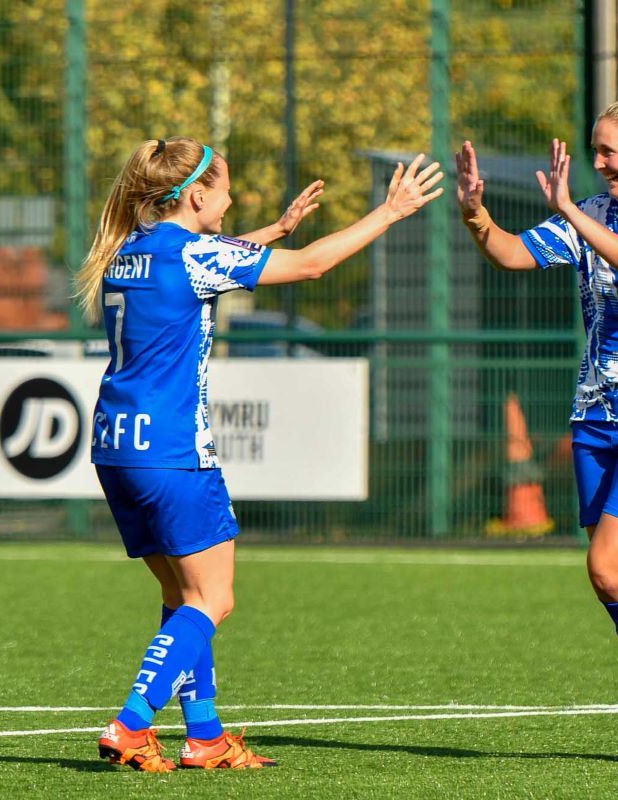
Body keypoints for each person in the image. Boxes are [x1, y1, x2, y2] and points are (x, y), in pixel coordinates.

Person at [76, 136, 443, 772]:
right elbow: (309, 268)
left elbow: (196, 261)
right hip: (172, 453)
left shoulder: (127, 252)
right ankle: (132, 723)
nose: (230, 196)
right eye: (222, 188)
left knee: (183, 598)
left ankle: (206, 737)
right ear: (194, 197)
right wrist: (389, 212)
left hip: (115, 448)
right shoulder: (191, 254)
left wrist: (272, 229)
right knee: (213, 600)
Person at [456, 97, 618, 761]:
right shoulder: (593, 214)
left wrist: (570, 211)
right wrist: (475, 212)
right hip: (597, 420)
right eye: (594, 152)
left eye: (607, 152)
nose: (597, 165)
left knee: (605, 566)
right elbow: (511, 255)